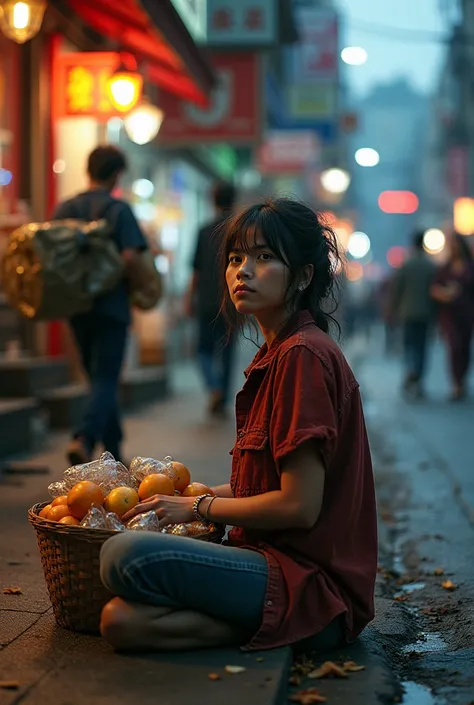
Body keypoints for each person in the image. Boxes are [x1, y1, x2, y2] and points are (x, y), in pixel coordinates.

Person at [99, 198, 377, 654]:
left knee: (122, 556)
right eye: (235, 258)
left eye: (264, 257)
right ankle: (270, 629)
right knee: (119, 622)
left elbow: (299, 506)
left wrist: (200, 507)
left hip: (310, 583)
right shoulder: (279, 353)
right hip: (270, 566)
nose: (242, 271)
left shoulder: (303, 356)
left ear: (304, 276)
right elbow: (268, 485)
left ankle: (300, 625)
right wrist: (197, 492)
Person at [53, 146, 148, 465]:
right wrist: (141, 285)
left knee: (97, 379)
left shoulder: (65, 207)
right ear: (116, 174)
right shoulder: (119, 210)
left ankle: (114, 454)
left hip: (76, 304)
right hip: (111, 306)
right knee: (106, 377)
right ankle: (85, 437)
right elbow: (131, 257)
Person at [186, 182, 238, 417]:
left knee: (202, 351)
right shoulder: (239, 231)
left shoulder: (204, 230)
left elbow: (195, 271)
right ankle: (222, 397)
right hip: (231, 300)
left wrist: (188, 298)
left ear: (212, 200)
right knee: (227, 352)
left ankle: (213, 387)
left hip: (206, 300)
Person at [388, 231, 436, 397]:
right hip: (425, 313)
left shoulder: (406, 265)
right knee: (422, 347)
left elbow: (397, 291)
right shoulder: (430, 266)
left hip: (407, 313)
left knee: (409, 346)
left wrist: (393, 311)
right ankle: (418, 379)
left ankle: (411, 372)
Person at [431, 233, 474, 401]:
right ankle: (455, 383)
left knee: (464, 347)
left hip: (467, 313)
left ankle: (462, 380)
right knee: (454, 346)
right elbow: (434, 289)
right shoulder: (445, 268)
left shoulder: (470, 267)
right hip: (449, 314)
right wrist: (446, 294)